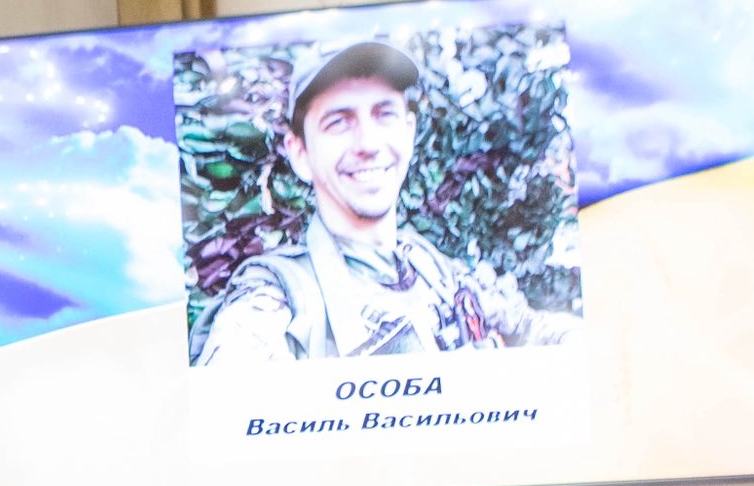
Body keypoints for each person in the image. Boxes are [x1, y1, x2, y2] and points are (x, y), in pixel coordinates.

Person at [192, 40, 576, 364]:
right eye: (338, 122)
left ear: (409, 132)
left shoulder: (433, 267)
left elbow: (534, 328)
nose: (369, 145)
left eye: (384, 114)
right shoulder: (275, 298)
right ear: (299, 152)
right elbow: (226, 410)